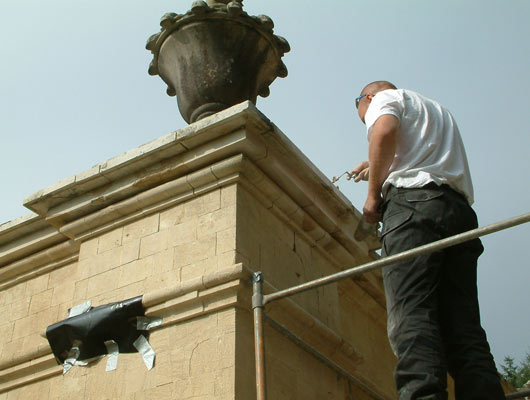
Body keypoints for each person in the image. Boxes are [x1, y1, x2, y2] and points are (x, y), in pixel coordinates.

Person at [350, 81, 505, 400]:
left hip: (412, 212)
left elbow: (384, 132)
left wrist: (372, 195)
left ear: (368, 98)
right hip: (458, 214)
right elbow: (418, 155)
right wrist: (377, 166)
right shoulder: (435, 110)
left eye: (361, 112)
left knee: (412, 316)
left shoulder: (385, 98)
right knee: (464, 328)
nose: (365, 119)